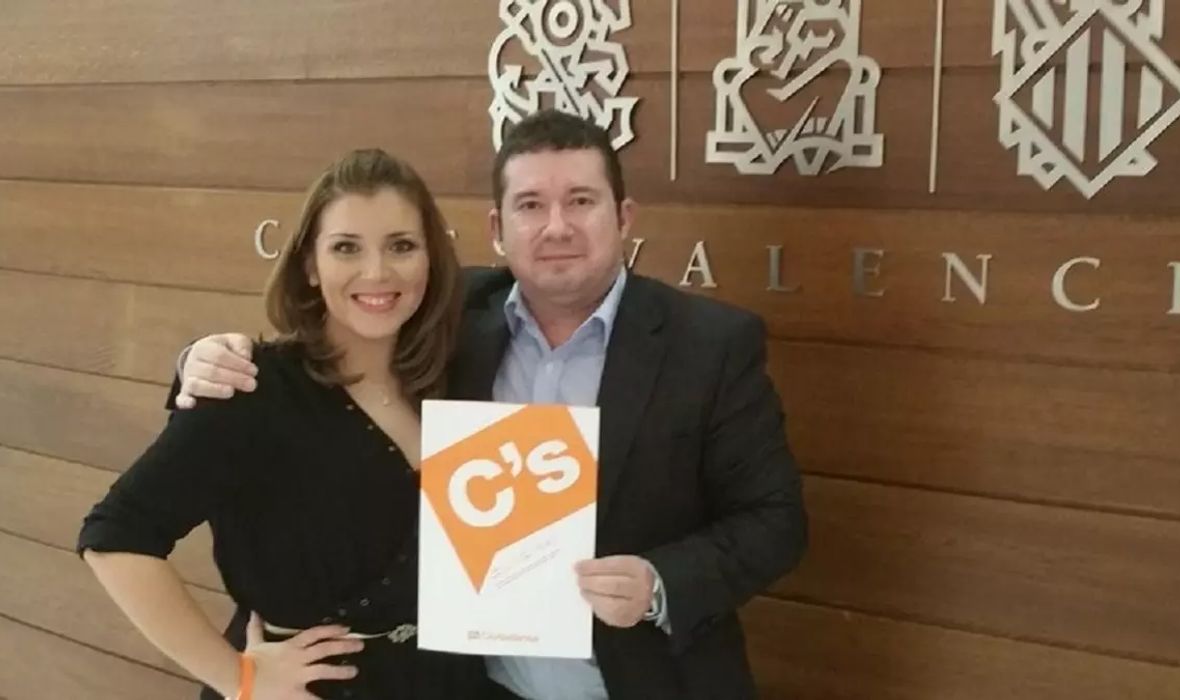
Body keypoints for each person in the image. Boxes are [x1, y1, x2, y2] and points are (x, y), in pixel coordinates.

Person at [175, 110, 807, 699]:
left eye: (580, 201)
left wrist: (660, 583)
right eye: (530, 205)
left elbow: (775, 520)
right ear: (498, 230)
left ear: (624, 217)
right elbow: (326, 356)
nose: (556, 226)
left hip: (647, 684)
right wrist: (204, 361)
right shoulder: (444, 317)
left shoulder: (710, 345)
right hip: (473, 687)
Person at [78, 148, 487, 699]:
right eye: (346, 247)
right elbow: (115, 537)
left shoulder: (458, 375)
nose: (377, 272)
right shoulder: (253, 389)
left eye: (401, 246)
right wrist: (238, 678)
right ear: (310, 266)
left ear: (432, 258)